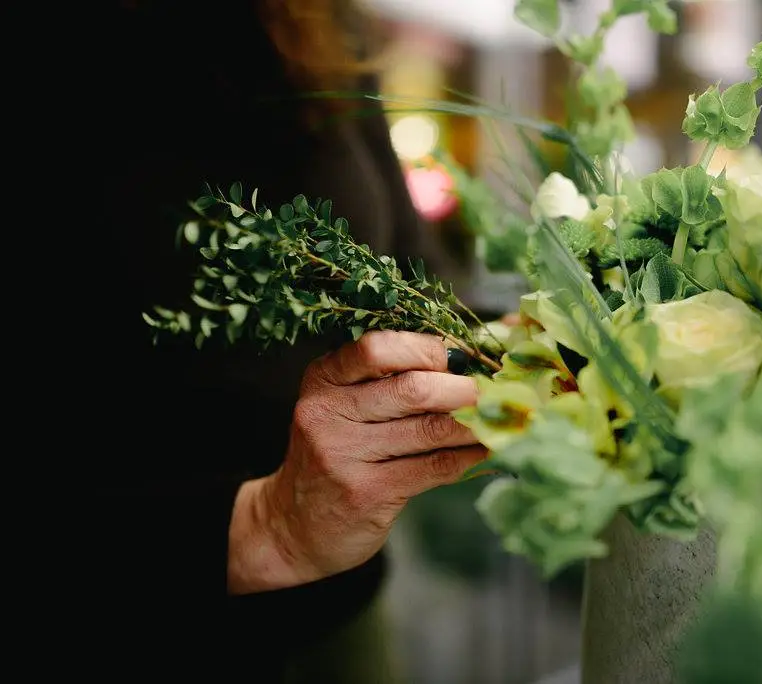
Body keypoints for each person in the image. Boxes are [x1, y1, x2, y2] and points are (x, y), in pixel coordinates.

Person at [50, 1, 484, 681]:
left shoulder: (311, 20)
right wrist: (267, 527)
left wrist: (539, 345)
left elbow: (415, 273)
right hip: (112, 635)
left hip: (335, 617)